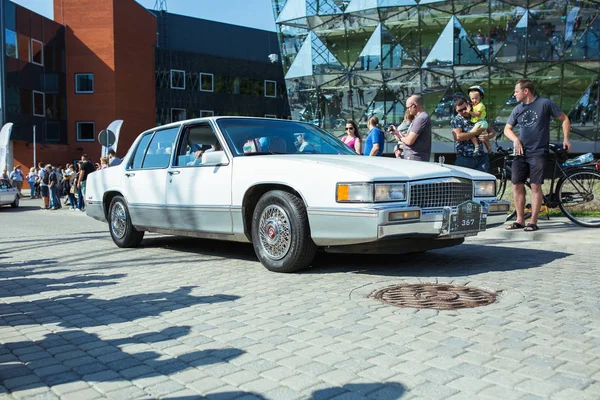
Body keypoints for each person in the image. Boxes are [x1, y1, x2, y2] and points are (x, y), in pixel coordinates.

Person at [504, 78, 571, 232]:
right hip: (520, 153)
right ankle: (520, 220)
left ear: (525, 91)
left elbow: (564, 118)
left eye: (516, 91)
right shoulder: (517, 109)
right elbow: (507, 129)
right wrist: (515, 140)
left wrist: (566, 138)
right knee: (516, 185)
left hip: (538, 151)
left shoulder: (545, 104)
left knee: (535, 186)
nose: (514, 94)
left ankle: (533, 222)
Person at [451, 97, 493, 172]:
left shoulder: (476, 114)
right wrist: (475, 133)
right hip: (464, 158)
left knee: (483, 183)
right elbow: (458, 136)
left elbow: (492, 132)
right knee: (464, 184)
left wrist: (487, 136)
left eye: (464, 108)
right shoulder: (457, 119)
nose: (463, 111)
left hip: (481, 158)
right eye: (460, 110)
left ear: (468, 104)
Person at [397, 95, 431, 161]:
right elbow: (410, 137)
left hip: (415, 158)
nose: (408, 110)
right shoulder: (419, 117)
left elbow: (409, 141)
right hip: (414, 157)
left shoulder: (421, 118)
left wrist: (400, 138)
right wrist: (397, 133)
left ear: (414, 105)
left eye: (408, 107)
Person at [467, 86, 492, 155]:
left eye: (476, 98)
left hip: (481, 122)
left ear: (481, 97)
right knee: (483, 137)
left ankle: (476, 145)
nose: (474, 100)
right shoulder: (474, 105)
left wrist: (470, 112)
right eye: (472, 99)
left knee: (471, 134)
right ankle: (490, 150)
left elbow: (478, 114)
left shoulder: (480, 105)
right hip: (481, 123)